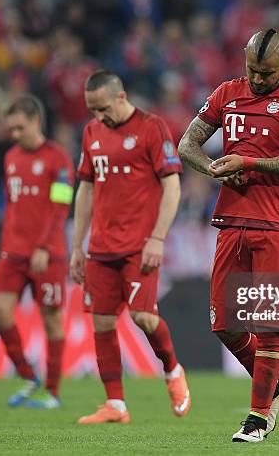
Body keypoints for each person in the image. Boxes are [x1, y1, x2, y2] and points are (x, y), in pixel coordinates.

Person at [178, 28, 279, 442]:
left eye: (267, 72)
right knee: (225, 324)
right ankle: (275, 387)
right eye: (253, 71)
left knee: (268, 322)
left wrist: (249, 161)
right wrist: (212, 168)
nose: (258, 79)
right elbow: (188, 144)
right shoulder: (226, 93)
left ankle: (259, 417)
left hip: (277, 222)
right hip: (232, 220)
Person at [71, 70, 190, 424]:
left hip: (140, 245)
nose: (98, 117)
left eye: (102, 108)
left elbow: (172, 187)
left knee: (143, 317)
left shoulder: (152, 128)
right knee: (103, 323)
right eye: (91, 110)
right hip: (102, 247)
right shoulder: (92, 132)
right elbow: (86, 189)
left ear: (121, 97)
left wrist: (158, 237)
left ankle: (172, 371)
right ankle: (116, 405)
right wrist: (77, 245)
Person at [0, 95, 75, 409]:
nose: (14, 135)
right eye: (10, 129)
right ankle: (28, 374)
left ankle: (52, 392)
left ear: (36, 122)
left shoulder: (58, 158)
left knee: (51, 320)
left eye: (19, 128)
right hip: (12, 251)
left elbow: (61, 205)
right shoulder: (10, 157)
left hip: (46, 254)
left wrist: (43, 246)